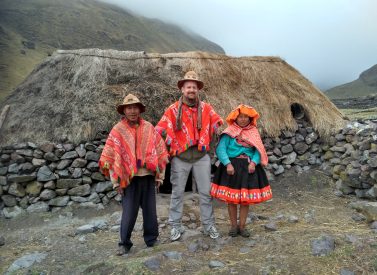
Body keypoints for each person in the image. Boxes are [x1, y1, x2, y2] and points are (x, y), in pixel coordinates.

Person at [156, 71, 223, 241]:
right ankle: (175, 226)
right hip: (180, 157)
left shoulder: (206, 108)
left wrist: (218, 128)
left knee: (205, 193)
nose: (191, 90)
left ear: (197, 90)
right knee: (177, 192)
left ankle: (209, 226)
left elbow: (217, 123)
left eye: (194, 87)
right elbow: (160, 128)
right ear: (182, 89)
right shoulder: (172, 110)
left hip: (201, 156)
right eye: (188, 87)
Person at [99, 94, 169, 255]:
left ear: (140, 109)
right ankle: (124, 243)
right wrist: (116, 182)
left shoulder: (149, 128)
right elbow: (110, 156)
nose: (132, 111)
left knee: (150, 211)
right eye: (129, 108)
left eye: (135, 107)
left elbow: (160, 152)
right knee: (129, 212)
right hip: (128, 180)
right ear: (124, 111)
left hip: (148, 176)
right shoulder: (118, 130)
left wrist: (160, 176)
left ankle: (151, 239)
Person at [210, 104, 272, 237]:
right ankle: (233, 227)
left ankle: (242, 227)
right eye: (240, 117)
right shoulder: (229, 132)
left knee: (245, 200)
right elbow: (221, 149)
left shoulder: (253, 132)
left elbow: (258, 150)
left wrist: (254, 162)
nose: (243, 119)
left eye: (246, 117)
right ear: (235, 118)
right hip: (231, 168)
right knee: (231, 200)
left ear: (250, 118)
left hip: (249, 168)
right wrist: (227, 164)